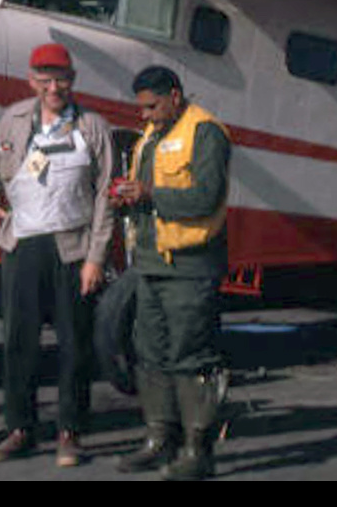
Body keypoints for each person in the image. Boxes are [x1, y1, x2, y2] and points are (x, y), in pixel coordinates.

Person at [0, 43, 115, 467]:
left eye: (62, 79)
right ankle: (19, 428)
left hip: (72, 249)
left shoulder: (92, 127)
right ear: (31, 80)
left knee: (74, 344)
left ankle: (70, 432)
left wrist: (96, 258)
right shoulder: (13, 119)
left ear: (72, 80)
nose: (54, 87)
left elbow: (106, 198)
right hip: (22, 246)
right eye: (45, 79)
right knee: (19, 341)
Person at [115, 65, 231, 481]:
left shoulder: (206, 133)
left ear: (175, 96)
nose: (143, 115)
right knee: (150, 353)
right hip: (150, 264)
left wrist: (148, 193)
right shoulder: (153, 135)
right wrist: (128, 198)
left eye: (151, 106)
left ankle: (197, 451)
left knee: (191, 357)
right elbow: (152, 194)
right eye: (141, 107)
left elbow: (206, 197)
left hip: (190, 266)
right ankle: (158, 438)